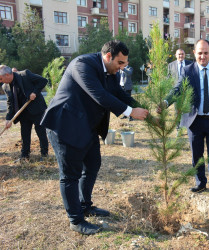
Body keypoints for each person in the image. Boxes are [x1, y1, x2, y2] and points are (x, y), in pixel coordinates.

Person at [40, 40, 149, 235]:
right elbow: (99, 95)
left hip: (86, 127)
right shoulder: (82, 65)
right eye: (120, 63)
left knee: (92, 166)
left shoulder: (111, 72)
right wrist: (131, 112)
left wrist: (142, 108)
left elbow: (118, 94)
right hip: (65, 125)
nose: (123, 67)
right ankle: (76, 219)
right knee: (70, 175)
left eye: (125, 63)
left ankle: (85, 205)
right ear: (108, 56)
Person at [161, 39, 209, 200]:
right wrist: (166, 102)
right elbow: (178, 89)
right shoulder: (187, 71)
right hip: (195, 121)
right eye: (199, 53)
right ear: (194, 53)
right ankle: (200, 183)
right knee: (197, 154)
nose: (203, 56)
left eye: (206, 53)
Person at [0, 65, 49, 161]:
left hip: (36, 110)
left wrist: (35, 92)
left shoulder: (25, 75)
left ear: (7, 75)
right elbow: (10, 103)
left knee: (41, 132)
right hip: (22, 113)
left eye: (1, 78)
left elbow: (43, 81)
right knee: (24, 134)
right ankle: (24, 155)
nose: (0, 81)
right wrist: (8, 118)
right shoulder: (5, 86)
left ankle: (44, 155)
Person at [167, 49, 192, 129]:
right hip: (176, 92)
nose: (181, 56)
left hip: (187, 91)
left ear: (184, 55)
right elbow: (169, 77)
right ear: (176, 55)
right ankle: (178, 128)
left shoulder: (190, 64)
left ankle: (187, 127)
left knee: (187, 109)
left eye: (182, 54)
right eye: (179, 54)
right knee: (177, 110)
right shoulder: (171, 65)